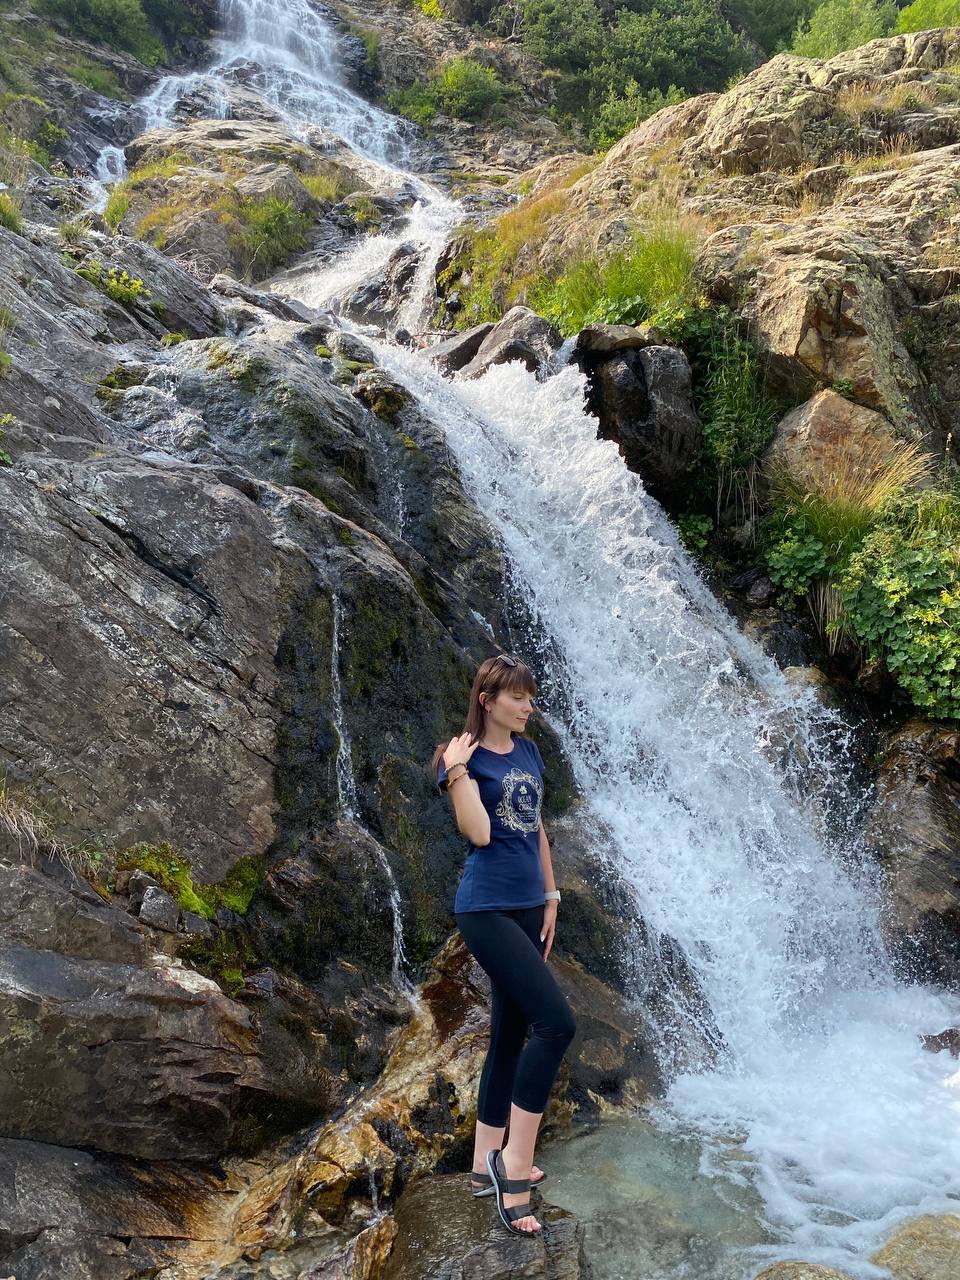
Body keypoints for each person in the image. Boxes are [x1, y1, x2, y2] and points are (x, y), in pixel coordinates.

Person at [430, 653, 577, 1238]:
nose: (527, 706)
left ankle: (480, 1162)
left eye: (530, 697)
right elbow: (480, 832)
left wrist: (551, 895)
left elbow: (535, 826)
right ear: (487, 700)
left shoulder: (529, 752)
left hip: (527, 905)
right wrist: (457, 770)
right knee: (556, 1024)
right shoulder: (460, 760)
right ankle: (513, 1169)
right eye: (517, 697)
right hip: (486, 909)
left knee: (511, 1034)